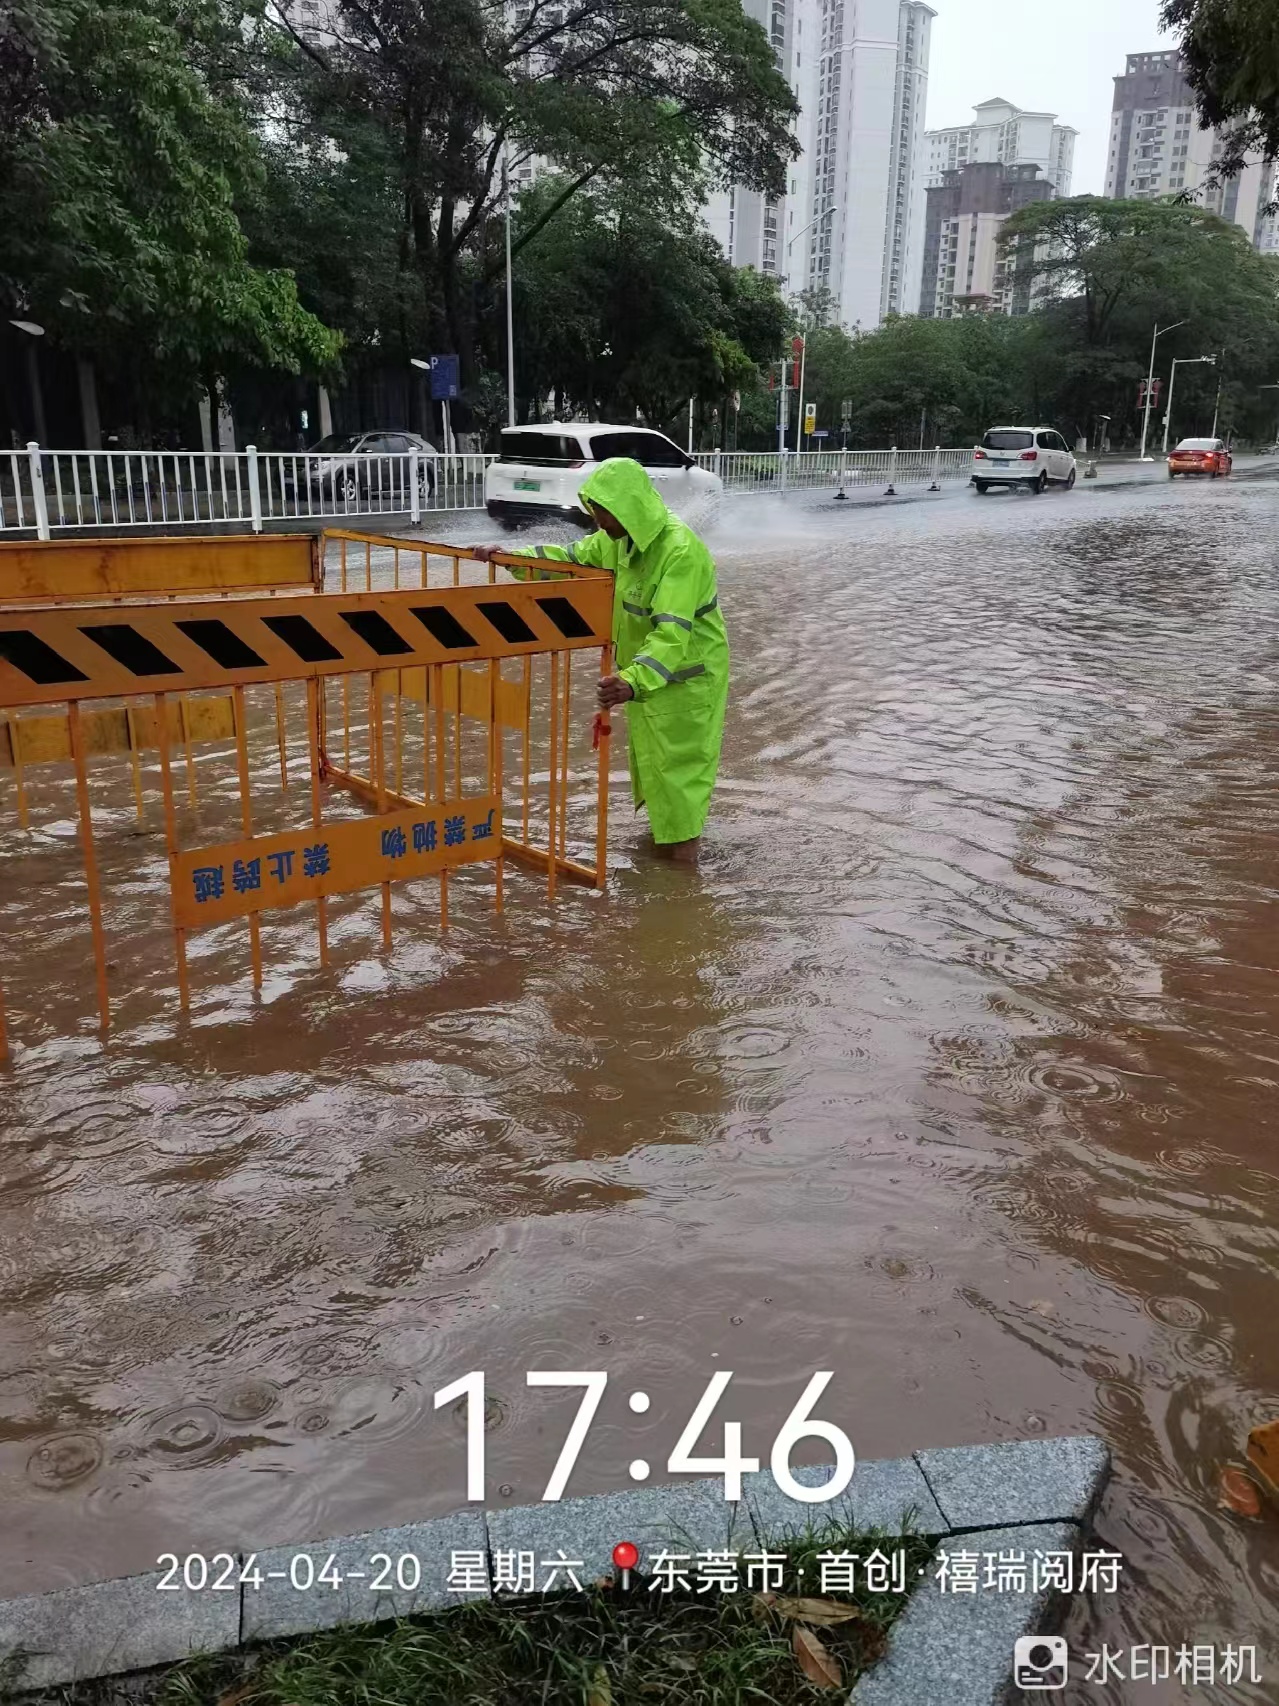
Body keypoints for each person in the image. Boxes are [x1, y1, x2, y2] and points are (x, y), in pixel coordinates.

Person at [474, 457, 729, 864]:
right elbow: (570, 560)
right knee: (657, 771)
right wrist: (513, 558)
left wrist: (633, 680)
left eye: (604, 512)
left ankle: (681, 883)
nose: (598, 520)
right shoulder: (617, 541)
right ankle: (669, 861)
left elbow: (672, 632)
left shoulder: (680, 552)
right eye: (594, 510)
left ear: (629, 507)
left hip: (687, 680)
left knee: (681, 777)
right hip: (649, 677)